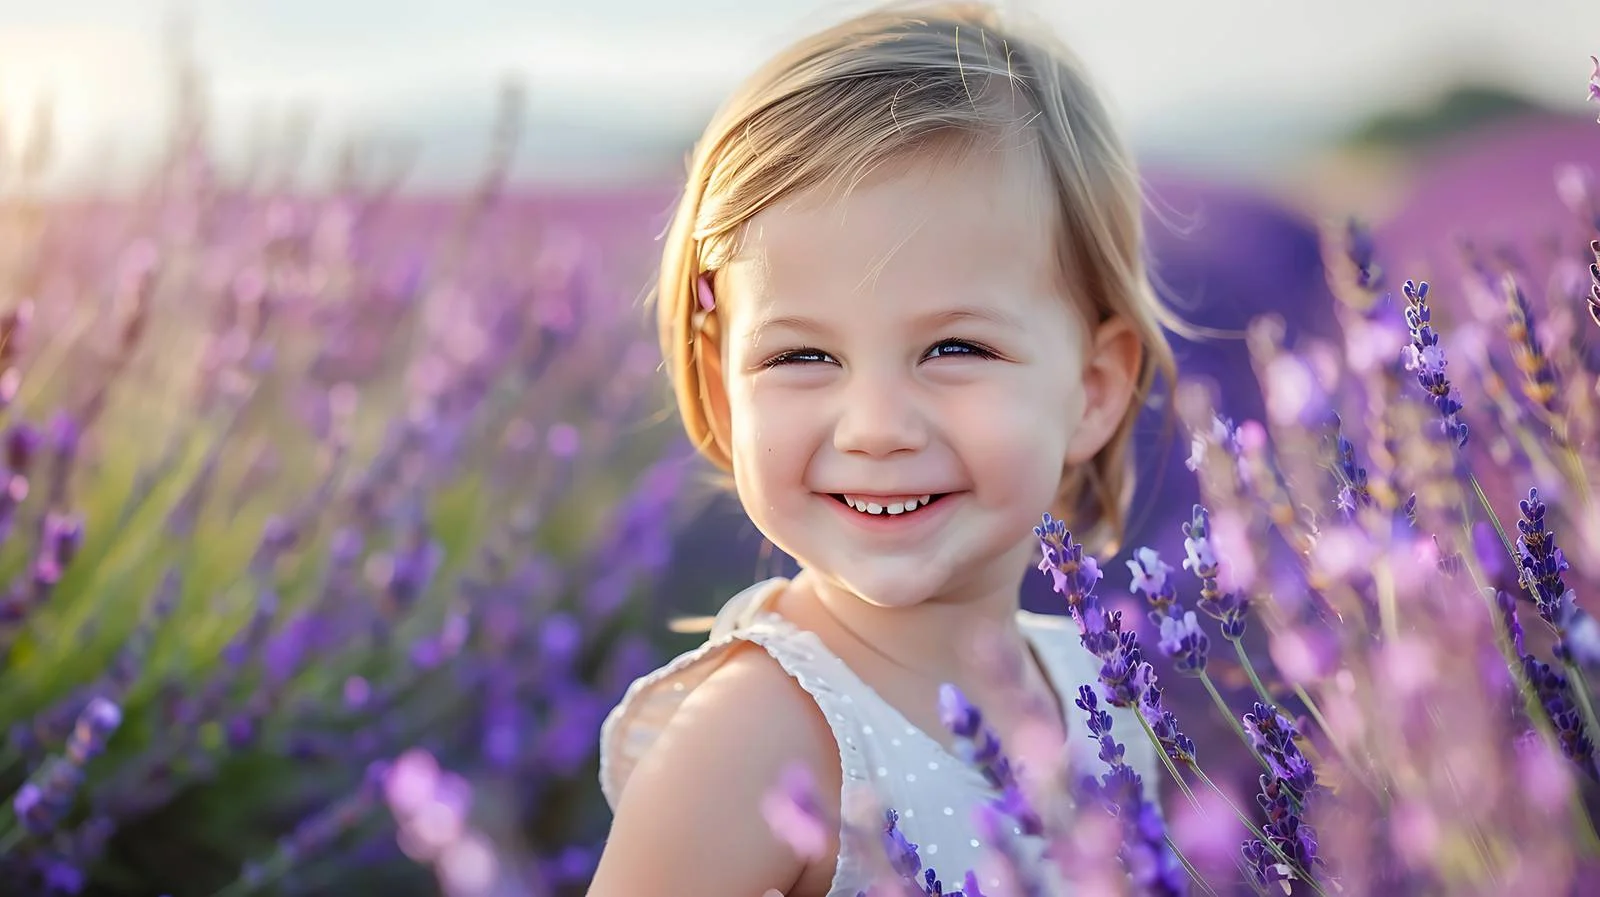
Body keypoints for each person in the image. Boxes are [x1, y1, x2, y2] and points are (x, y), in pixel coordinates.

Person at [589, 3, 1182, 894]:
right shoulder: (748, 742)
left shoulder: (1100, 689)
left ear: (1092, 391)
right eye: (801, 356)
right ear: (722, 391)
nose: (875, 426)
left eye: (954, 349)